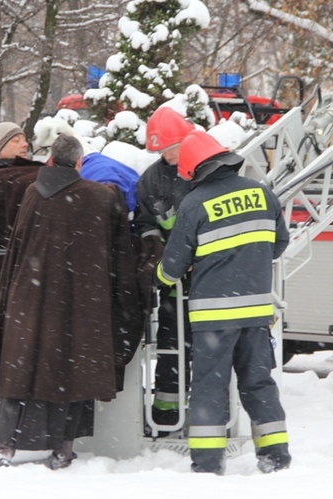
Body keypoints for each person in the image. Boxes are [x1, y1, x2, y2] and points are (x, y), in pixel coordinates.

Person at [0, 134, 143, 469]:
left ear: (51, 160)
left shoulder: (32, 194)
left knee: (19, 367)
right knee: (73, 369)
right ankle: (63, 447)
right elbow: (120, 254)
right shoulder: (102, 197)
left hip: (31, 297)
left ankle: (3, 445)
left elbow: (18, 246)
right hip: (82, 302)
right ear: (80, 163)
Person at [155, 130, 292, 475]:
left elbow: (172, 266)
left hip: (214, 315)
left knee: (209, 387)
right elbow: (279, 244)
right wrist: (251, 262)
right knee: (259, 382)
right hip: (258, 312)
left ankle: (208, 463)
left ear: (194, 171)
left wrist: (158, 281)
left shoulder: (194, 204)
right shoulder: (263, 193)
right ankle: (275, 456)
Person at [133, 106, 195, 430]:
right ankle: (167, 410)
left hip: (205, 277)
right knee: (171, 344)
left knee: (208, 345)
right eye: (160, 150)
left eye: (171, 148)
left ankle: (210, 408)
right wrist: (155, 247)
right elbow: (145, 221)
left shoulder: (202, 170)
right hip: (172, 279)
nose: (167, 155)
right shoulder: (151, 180)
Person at [0, 122, 45, 270]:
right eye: (16, 141)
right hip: (25, 262)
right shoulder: (1, 178)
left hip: (23, 262)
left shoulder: (31, 172)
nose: (24, 145)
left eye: (24, 140)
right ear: (0, 147)